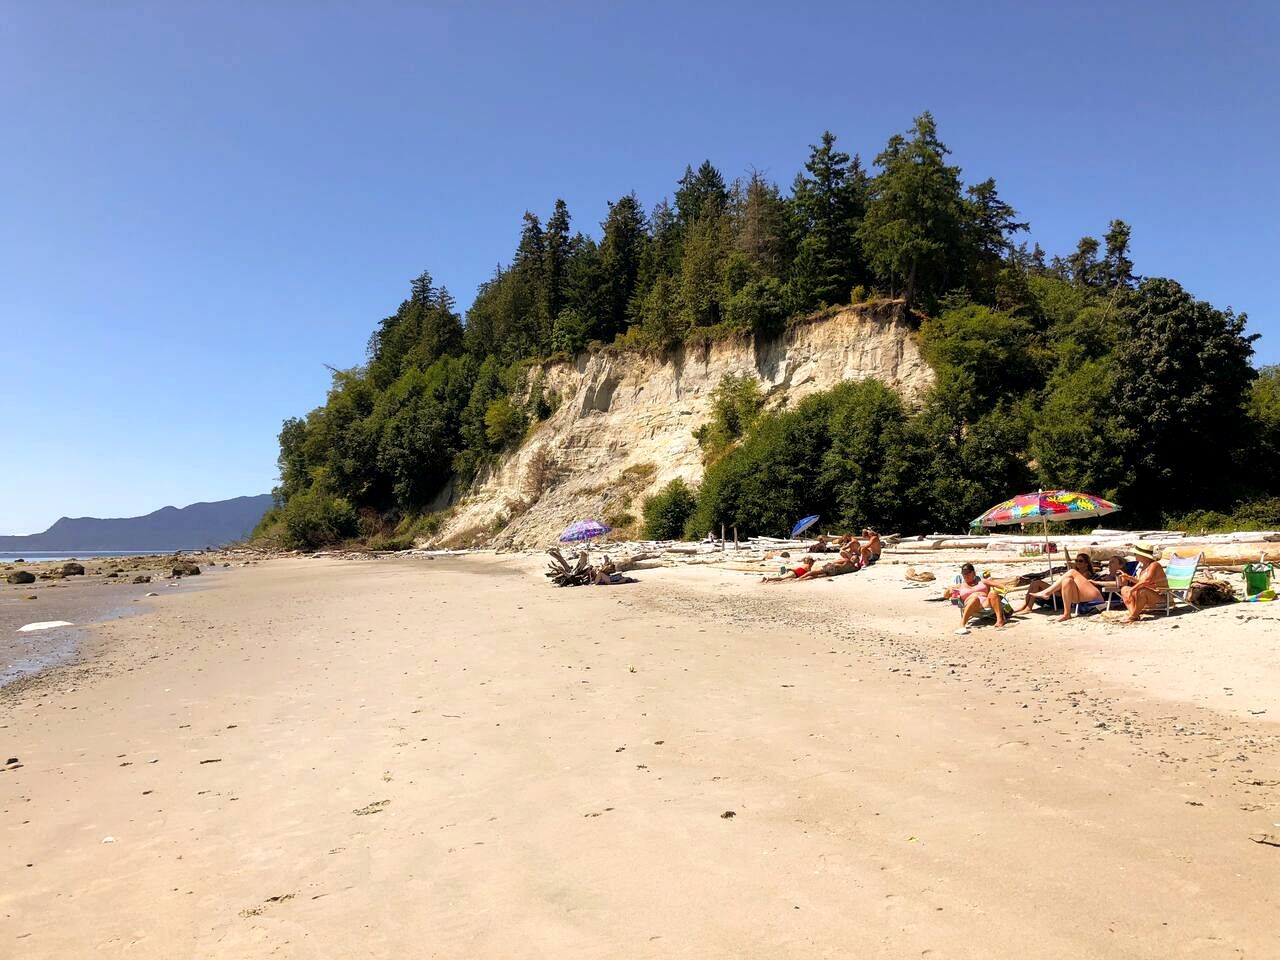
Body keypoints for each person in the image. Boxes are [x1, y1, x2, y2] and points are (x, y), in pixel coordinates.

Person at [1020, 553, 1105, 622]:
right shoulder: (1076, 573)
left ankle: (1046, 592)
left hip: (1092, 598)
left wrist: (1073, 571)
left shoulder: (1087, 574)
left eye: (1080, 561)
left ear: (1086, 564)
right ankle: (1026, 606)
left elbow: (1081, 586)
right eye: (1076, 561)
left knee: (1071, 573)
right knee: (1064, 581)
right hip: (1077, 598)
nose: (1078, 563)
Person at [944, 562, 1007, 630]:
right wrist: (948, 590)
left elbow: (1002, 586)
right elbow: (946, 596)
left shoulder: (983, 581)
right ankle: (962, 623)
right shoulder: (959, 586)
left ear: (973, 573)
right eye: (964, 573)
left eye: (968, 573)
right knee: (974, 598)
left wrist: (1003, 589)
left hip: (986, 604)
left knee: (993, 593)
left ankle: (1000, 620)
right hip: (971, 605)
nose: (965, 575)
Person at [1118, 544, 1168, 622]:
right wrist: (1128, 577)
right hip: (1150, 594)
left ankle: (1133, 616)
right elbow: (1141, 582)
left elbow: (1146, 581)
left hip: (1161, 598)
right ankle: (1134, 615)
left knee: (1141, 591)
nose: (1135, 555)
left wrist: (1131, 590)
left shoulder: (1154, 565)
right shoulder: (1144, 565)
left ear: (1143, 555)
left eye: (1136, 553)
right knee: (1124, 589)